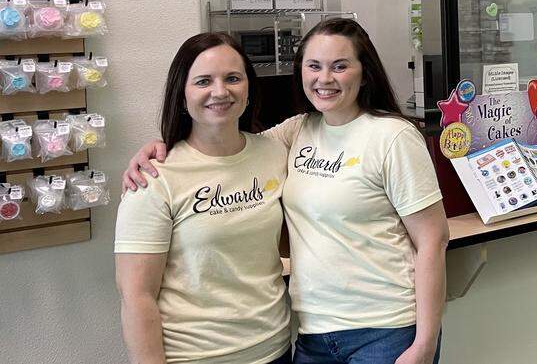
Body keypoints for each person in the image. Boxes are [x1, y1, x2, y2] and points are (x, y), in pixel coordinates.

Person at [125, 18, 448, 364]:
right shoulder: (295, 133)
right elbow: (223, 147)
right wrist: (161, 148)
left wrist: (424, 343)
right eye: (314, 66)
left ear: (364, 72)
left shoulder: (392, 136)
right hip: (312, 335)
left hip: (385, 329)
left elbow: (434, 239)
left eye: (340, 66)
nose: (325, 79)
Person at [115, 32, 292, 364]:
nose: (220, 91)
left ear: (249, 88)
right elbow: (136, 297)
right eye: (203, 81)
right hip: (197, 356)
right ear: (182, 95)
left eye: (233, 78)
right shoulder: (155, 178)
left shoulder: (274, 153)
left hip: (275, 349)